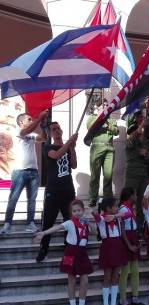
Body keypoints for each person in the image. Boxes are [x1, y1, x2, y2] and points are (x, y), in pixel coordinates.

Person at [34, 199, 93, 305]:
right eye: (74, 211)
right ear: (72, 213)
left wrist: (90, 223)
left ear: (83, 210)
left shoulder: (85, 223)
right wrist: (44, 233)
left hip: (82, 253)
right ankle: (72, 303)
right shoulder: (69, 223)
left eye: (79, 210)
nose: (77, 213)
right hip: (70, 252)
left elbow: (95, 231)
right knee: (72, 280)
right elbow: (57, 228)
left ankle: (82, 303)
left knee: (85, 280)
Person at [1, 110, 48, 234]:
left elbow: (44, 138)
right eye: (29, 119)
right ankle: (7, 224)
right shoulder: (18, 132)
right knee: (14, 198)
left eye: (32, 119)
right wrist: (39, 117)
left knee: (32, 199)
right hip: (20, 171)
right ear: (21, 122)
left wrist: (43, 126)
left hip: (33, 171)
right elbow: (25, 132)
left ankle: (30, 223)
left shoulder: (31, 134)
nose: (31, 121)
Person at [36, 122, 78, 262]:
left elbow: (74, 164)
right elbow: (56, 155)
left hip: (68, 189)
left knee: (70, 219)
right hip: (53, 190)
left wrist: (72, 147)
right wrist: (68, 143)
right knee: (48, 220)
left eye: (58, 128)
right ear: (49, 134)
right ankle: (44, 248)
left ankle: (69, 246)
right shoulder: (47, 147)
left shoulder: (67, 146)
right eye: (54, 129)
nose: (57, 131)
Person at [92, 198, 135, 305]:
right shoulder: (102, 219)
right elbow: (95, 215)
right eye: (115, 206)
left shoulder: (118, 218)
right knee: (107, 276)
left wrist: (115, 216)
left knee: (116, 276)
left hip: (118, 247)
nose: (117, 208)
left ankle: (113, 302)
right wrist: (97, 212)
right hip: (107, 247)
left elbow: (129, 213)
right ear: (108, 208)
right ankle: (106, 302)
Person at [87, 100, 119, 207]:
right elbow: (91, 128)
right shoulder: (92, 117)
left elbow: (116, 131)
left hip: (109, 148)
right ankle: (93, 198)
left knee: (108, 175)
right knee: (95, 175)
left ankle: (107, 198)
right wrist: (100, 119)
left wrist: (108, 125)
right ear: (98, 107)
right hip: (97, 147)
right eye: (103, 105)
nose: (105, 107)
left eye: (107, 105)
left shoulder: (111, 119)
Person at [124, 111, 149, 223]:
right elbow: (133, 138)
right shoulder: (129, 142)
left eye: (141, 133)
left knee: (142, 200)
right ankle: (127, 224)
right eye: (138, 133)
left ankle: (140, 225)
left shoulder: (145, 144)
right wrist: (141, 125)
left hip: (143, 175)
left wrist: (145, 154)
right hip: (132, 174)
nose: (140, 134)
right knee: (128, 198)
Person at [118, 188, 143, 305]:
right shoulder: (123, 209)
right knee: (125, 271)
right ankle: (122, 298)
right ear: (130, 196)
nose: (136, 197)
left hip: (133, 236)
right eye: (135, 195)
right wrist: (129, 245)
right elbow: (122, 230)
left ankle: (135, 295)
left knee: (135, 270)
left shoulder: (130, 208)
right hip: (126, 240)